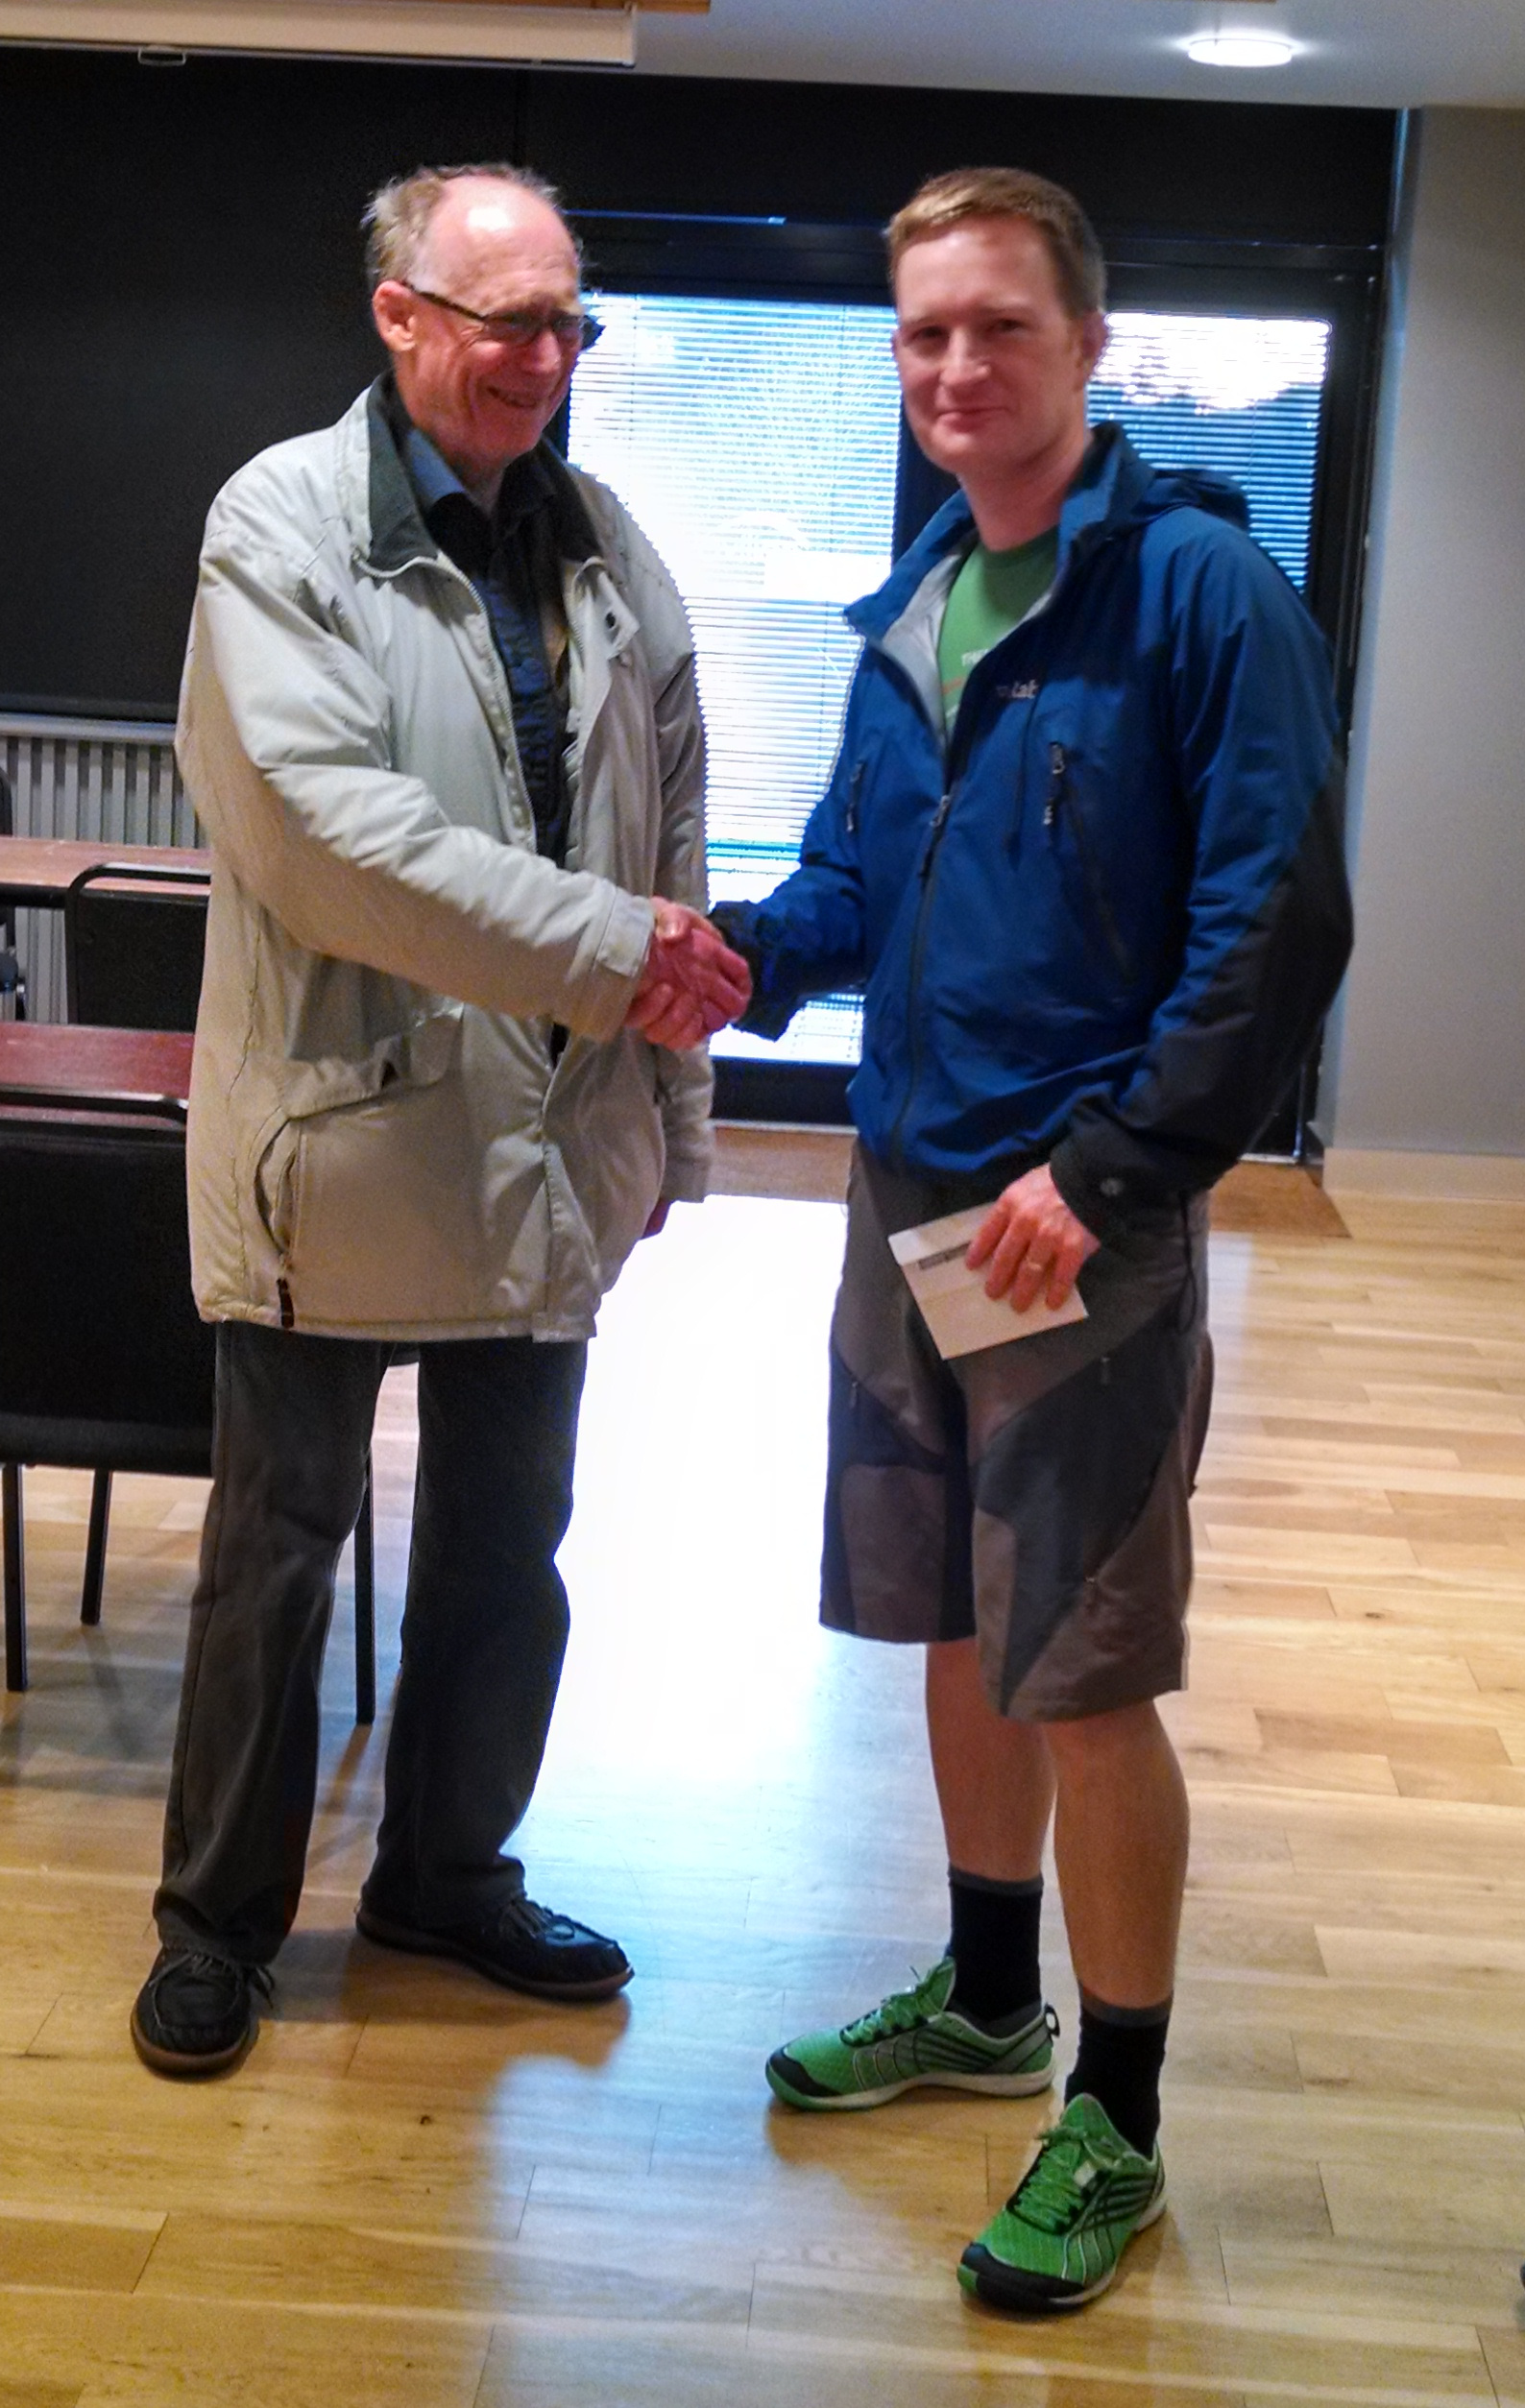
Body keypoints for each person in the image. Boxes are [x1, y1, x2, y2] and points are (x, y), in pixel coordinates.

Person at [712, 167, 1352, 2313]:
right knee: (952, 1626)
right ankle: (990, 2003)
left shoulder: (1196, 596)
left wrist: (1105, 1173)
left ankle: (1123, 2120)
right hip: (906, 1196)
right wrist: (743, 955)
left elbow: (1275, 928)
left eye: (998, 326)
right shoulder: (921, 594)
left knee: (1083, 1672)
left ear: (1087, 343)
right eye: (924, 334)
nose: (957, 367)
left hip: (1071, 1226)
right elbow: (855, 877)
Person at [131, 163, 750, 2079]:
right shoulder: (280, 522)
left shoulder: (606, 539)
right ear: (397, 315)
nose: (545, 359)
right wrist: (618, 956)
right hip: (338, 1138)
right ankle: (217, 1925)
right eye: (507, 322)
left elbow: (671, 829)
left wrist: (678, 1118)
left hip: (554, 1135)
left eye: (569, 322)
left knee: (507, 1548)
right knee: (277, 1553)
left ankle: (448, 1875)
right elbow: (329, 841)